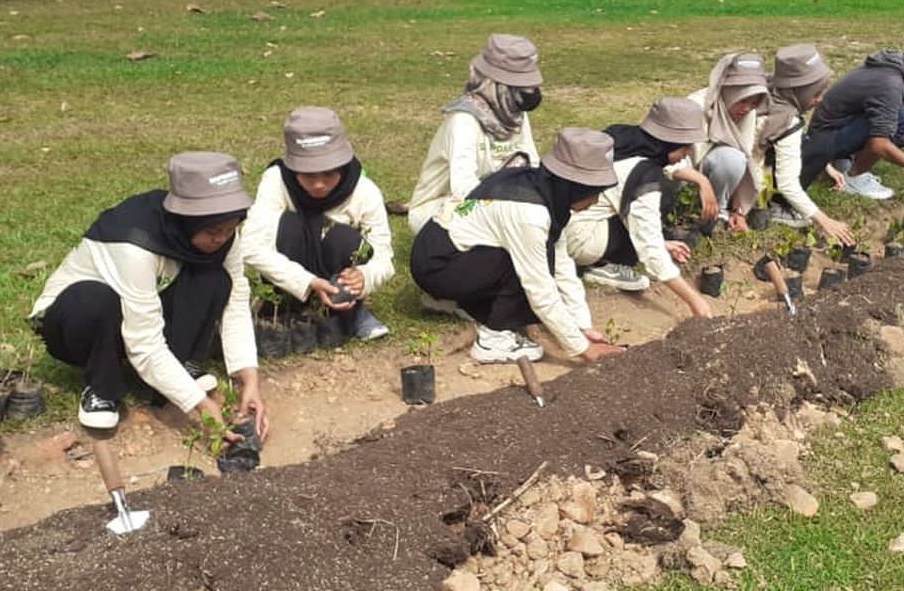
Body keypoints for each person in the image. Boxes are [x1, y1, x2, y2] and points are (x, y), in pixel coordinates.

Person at [29, 152, 267, 439]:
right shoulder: (134, 242)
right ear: (186, 220)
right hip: (76, 322)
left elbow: (236, 300)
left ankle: (171, 370)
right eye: (214, 231)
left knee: (217, 278)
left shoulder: (222, 231)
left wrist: (249, 379)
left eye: (231, 229)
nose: (222, 238)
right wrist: (200, 405)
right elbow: (144, 343)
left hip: (141, 305)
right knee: (95, 302)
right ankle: (102, 386)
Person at [410, 128, 626, 364]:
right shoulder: (529, 213)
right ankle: (493, 340)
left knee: (544, 256)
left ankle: (450, 300)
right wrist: (583, 349)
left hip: (446, 252)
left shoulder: (543, 188)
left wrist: (583, 325)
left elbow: (564, 264)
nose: (595, 201)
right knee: (528, 264)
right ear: (574, 185)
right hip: (438, 265)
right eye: (593, 192)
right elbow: (540, 289)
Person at [241, 107, 394, 342]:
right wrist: (307, 282)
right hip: (292, 273)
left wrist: (364, 276)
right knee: (288, 226)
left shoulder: (365, 191)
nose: (319, 185)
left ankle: (350, 311)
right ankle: (286, 309)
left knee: (344, 239)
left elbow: (384, 257)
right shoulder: (275, 181)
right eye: (308, 175)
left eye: (329, 174)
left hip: (337, 274)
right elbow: (251, 247)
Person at [564, 98, 714, 318]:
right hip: (579, 239)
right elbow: (650, 249)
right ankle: (604, 265)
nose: (688, 153)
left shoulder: (621, 136)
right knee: (652, 207)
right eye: (686, 146)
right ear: (671, 144)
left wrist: (663, 242)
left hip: (561, 221)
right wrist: (696, 301)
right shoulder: (644, 173)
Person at [408, 34, 543, 235]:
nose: (531, 93)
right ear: (495, 85)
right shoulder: (463, 121)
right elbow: (464, 188)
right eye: (522, 86)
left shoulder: (515, 113)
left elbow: (531, 164)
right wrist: (511, 211)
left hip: (500, 199)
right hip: (446, 204)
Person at [800, 33, 904, 200]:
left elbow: (894, 116)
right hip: (824, 139)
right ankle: (854, 176)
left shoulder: (895, 69)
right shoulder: (891, 84)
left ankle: (843, 161)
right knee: (884, 129)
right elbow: (879, 145)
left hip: (836, 128)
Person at [755, 43, 853, 244]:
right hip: (753, 180)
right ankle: (776, 207)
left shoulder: (770, 93)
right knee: (824, 144)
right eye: (815, 94)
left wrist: (826, 167)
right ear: (798, 91)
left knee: (819, 144)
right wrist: (823, 221)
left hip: (748, 169)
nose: (819, 100)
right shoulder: (786, 119)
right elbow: (787, 183)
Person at [687, 52, 770, 232]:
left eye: (754, 102)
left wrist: (738, 210)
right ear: (729, 90)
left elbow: (745, 155)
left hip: (712, 175)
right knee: (728, 159)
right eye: (743, 100)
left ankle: (718, 213)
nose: (747, 108)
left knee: (733, 158)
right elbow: (678, 161)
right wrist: (701, 182)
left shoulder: (747, 112)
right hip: (684, 175)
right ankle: (689, 210)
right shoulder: (698, 106)